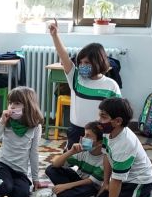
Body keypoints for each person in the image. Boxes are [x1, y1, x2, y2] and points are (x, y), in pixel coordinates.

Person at [48, 19, 121, 149]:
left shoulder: (111, 85)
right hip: (76, 131)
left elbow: (117, 114)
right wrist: (55, 35)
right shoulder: (75, 78)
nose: (82, 66)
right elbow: (63, 55)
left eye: (87, 63)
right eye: (80, 62)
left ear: (98, 63)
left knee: (94, 163)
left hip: (99, 132)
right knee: (71, 162)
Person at [92, 98, 152, 197]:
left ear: (118, 121)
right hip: (125, 179)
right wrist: (105, 183)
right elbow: (107, 156)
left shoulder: (125, 144)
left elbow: (117, 180)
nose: (99, 120)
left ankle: (149, 195)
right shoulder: (108, 131)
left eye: (103, 117)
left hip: (140, 181)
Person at [35, 121, 104, 197]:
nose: (83, 138)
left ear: (100, 142)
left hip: (91, 186)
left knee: (90, 189)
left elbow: (90, 181)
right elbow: (55, 164)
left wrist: (65, 186)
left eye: (88, 136)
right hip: (79, 181)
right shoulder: (83, 151)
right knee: (51, 169)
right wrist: (71, 151)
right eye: (84, 135)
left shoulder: (104, 159)